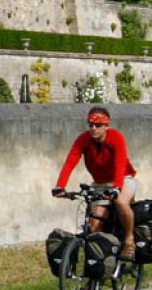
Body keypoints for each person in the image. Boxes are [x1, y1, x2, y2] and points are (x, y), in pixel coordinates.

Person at [52, 106, 139, 260]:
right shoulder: (83, 139)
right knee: (94, 227)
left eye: (98, 125)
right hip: (100, 183)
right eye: (90, 125)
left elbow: (120, 164)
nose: (93, 128)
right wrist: (60, 186)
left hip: (123, 178)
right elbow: (70, 163)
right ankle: (99, 270)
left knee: (120, 203)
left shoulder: (116, 137)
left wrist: (117, 188)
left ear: (106, 126)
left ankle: (129, 239)